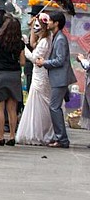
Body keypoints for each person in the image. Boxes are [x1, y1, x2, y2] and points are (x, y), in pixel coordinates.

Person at [33, 10, 72, 149]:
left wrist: (45, 62)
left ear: (56, 23)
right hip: (57, 77)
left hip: (60, 78)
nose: (47, 23)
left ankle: (62, 139)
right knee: (54, 107)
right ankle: (60, 137)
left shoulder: (60, 39)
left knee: (54, 107)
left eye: (49, 21)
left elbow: (60, 60)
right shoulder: (56, 36)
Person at [0, 15, 25, 146]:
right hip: (15, 75)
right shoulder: (19, 43)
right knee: (12, 108)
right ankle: (12, 135)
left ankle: (0, 136)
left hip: (1, 75)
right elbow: (23, 62)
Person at [16, 13, 55, 145]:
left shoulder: (45, 41)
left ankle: (39, 132)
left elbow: (35, 58)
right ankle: (40, 131)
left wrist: (24, 48)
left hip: (41, 74)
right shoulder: (46, 39)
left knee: (40, 102)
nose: (35, 28)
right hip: (40, 74)